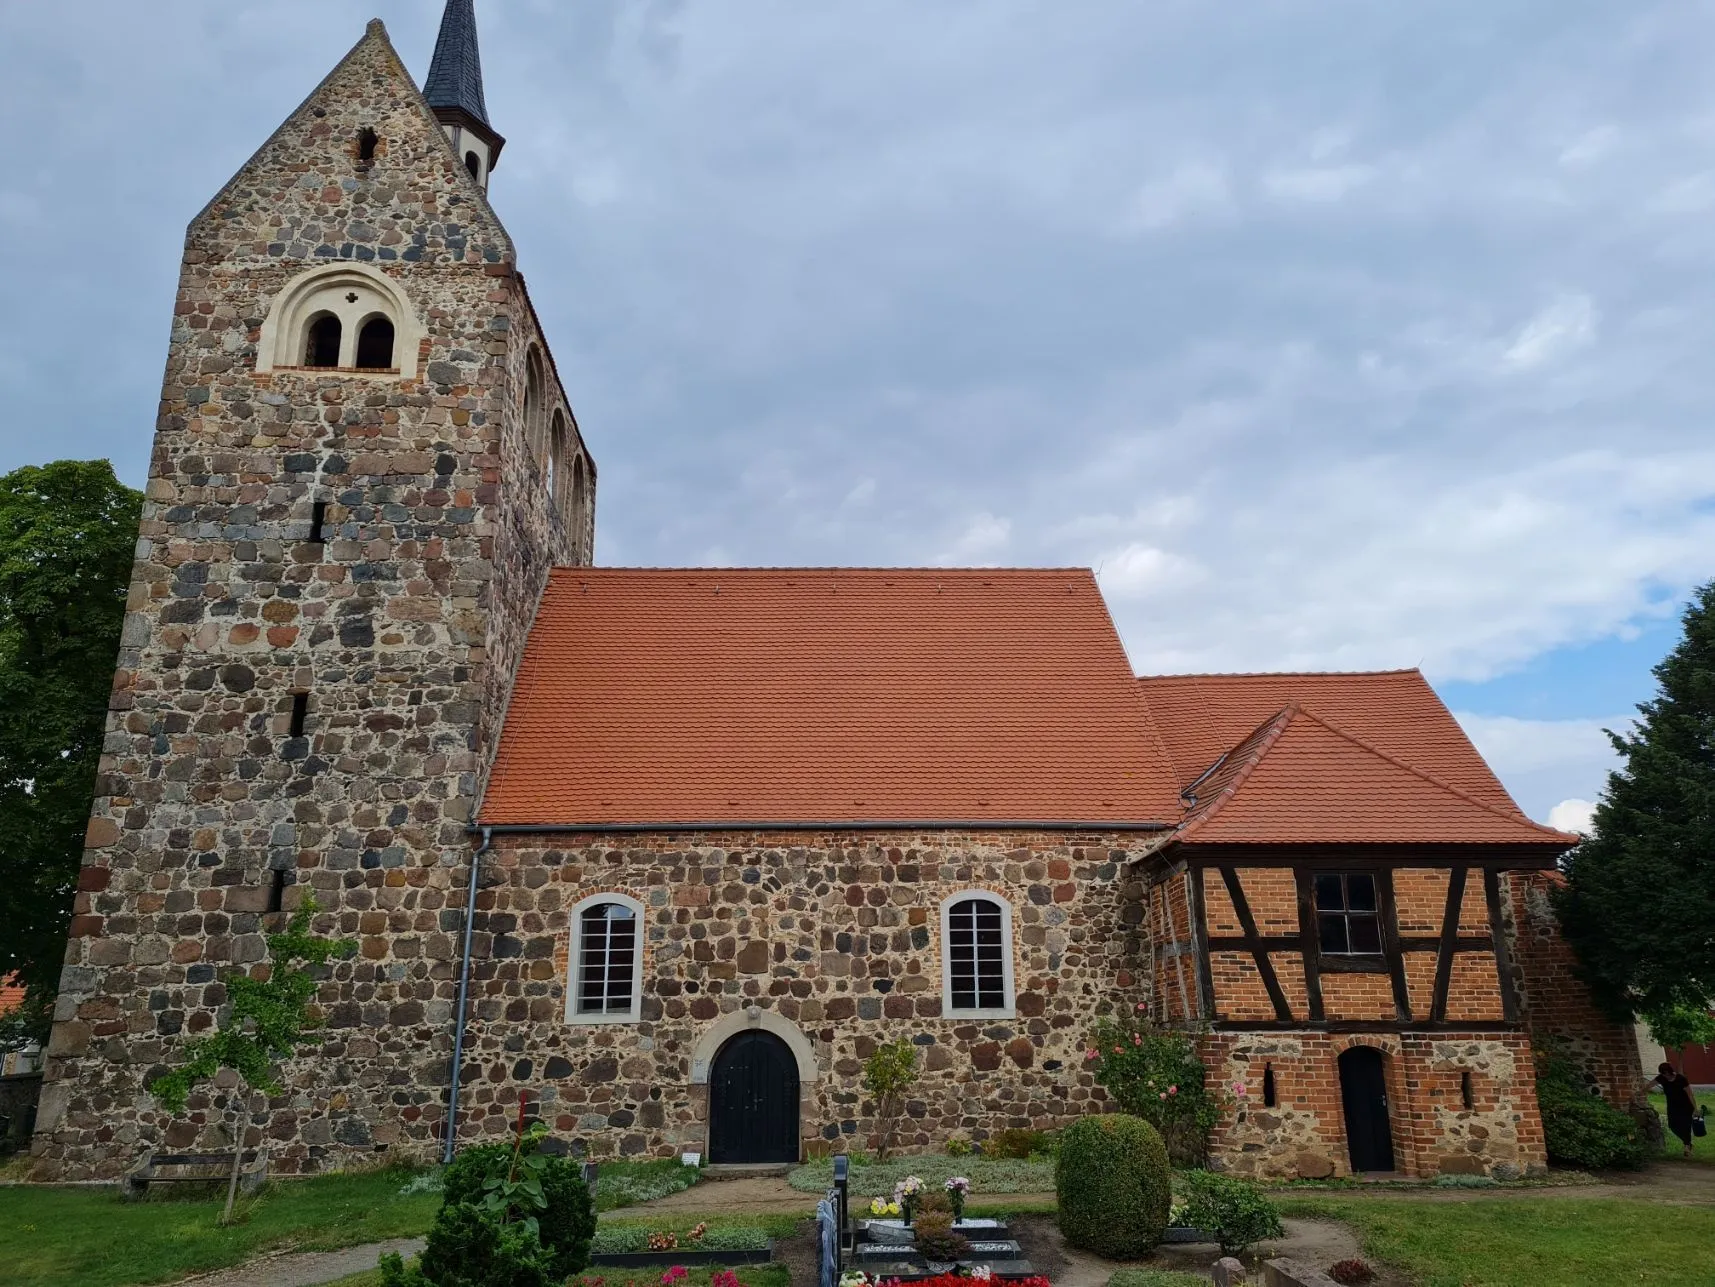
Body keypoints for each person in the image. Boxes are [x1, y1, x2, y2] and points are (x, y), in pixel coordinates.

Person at [1653, 1062, 1699, 1159]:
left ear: (1670, 1071)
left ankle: (1687, 1147)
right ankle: (1688, 1143)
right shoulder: (1661, 1078)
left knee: (1686, 1126)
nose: (1666, 1076)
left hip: (1686, 1107)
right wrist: (1639, 1092)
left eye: (1666, 1073)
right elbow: (1649, 1085)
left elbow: (1690, 1094)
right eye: (1663, 1074)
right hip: (1672, 1107)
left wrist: (1695, 1108)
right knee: (1672, 1126)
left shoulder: (1681, 1079)